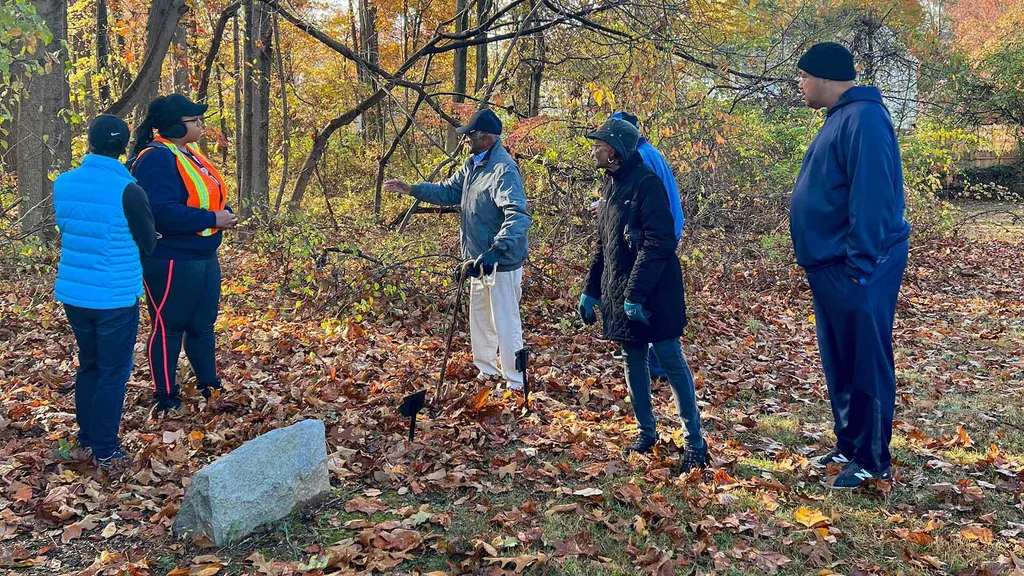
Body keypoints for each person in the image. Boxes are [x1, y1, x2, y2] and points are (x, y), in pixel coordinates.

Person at [791, 42, 910, 489]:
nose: (800, 84)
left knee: (865, 362)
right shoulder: (841, 119)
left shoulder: (866, 119)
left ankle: (873, 459)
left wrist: (861, 267)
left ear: (824, 76)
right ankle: (849, 443)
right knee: (840, 359)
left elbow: (873, 197)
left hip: (857, 268)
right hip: (831, 267)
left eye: (803, 75)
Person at [578, 117, 708, 472]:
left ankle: (695, 443)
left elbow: (659, 243)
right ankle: (646, 433)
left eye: (601, 143)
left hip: (656, 291)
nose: (595, 148)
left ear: (616, 152)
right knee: (631, 358)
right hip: (621, 291)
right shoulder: (610, 186)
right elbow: (603, 247)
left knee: (670, 359)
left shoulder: (647, 185)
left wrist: (635, 295)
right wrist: (592, 291)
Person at [384, 109, 531, 390]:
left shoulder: (503, 169)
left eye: (471, 135)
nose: (466, 140)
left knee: (505, 321)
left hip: (501, 261)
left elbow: (518, 215)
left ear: (486, 138)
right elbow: (448, 191)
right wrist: (413, 189)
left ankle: (515, 381)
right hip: (477, 259)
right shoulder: (472, 165)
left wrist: (497, 250)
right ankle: (487, 370)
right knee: (480, 317)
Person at [54, 115, 157, 470]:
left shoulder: (64, 183)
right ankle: (106, 449)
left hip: (75, 293)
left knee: (90, 365)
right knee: (113, 372)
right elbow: (148, 242)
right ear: (124, 146)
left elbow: (70, 227)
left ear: (90, 142)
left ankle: (87, 437)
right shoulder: (129, 189)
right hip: (114, 296)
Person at [128, 94, 239, 416]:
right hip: (170, 258)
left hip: (203, 254)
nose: (201, 125)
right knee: (168, 326)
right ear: (176, 126)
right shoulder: (156, 158)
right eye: (194, 120)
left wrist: (224, 214)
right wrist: (210, 219)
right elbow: (159, 213)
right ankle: (165, 395)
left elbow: (204, 197)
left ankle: (209, 385)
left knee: (203, 325)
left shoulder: (189, 154)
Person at [610, 111, 684, 378]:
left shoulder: (644, 158)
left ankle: (656, 367)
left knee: (649, 300)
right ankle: (652, 364)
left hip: (656, 238)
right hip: (662, 233)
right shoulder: (648, 153)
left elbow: (645, 202)